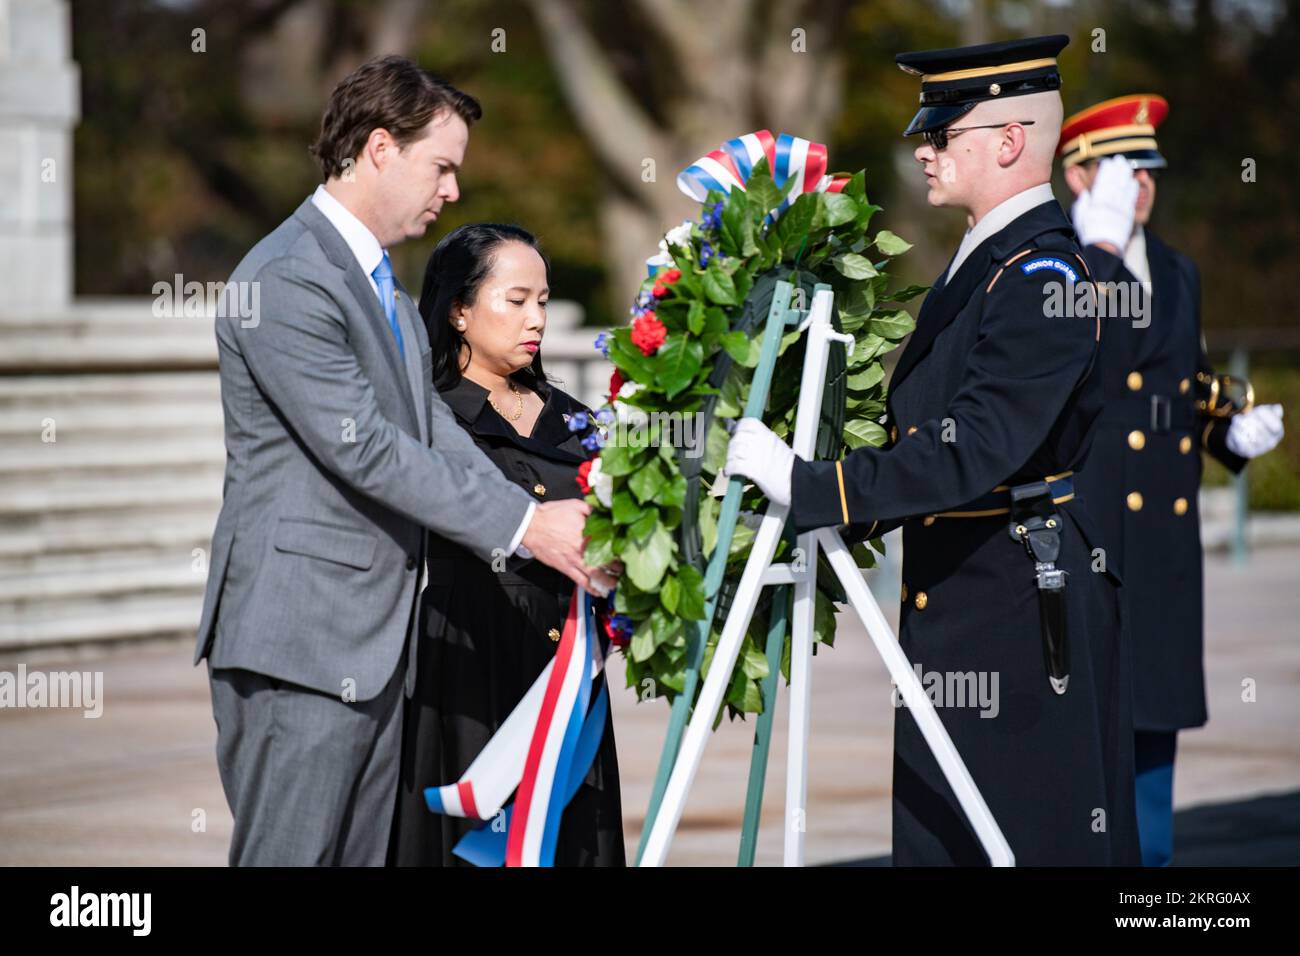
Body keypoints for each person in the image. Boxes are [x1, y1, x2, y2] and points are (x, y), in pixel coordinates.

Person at [724, 35, 1141, 865]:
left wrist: (815, 487)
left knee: (1020, 834)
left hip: (1017, 616)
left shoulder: (1040, 279)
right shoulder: (988, 263)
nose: (923, 147)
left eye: (943, 133)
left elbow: (973, 448)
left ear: (1009, 141)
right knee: (956, 833)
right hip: (971, 600)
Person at [194, 55, 613, 866]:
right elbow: (371, 450)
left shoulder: (374, 279)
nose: (452, 192)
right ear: (381, 148)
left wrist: (547, 514)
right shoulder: (289, 277)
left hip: (371, 647)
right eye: (442, 167)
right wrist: (529, 525)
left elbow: (428, 423)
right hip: (303, 643)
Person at [1060, 94, 1285, 866]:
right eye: (1124, 167)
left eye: (1148, 166)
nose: (1142, 183)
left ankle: (1150, 883)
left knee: (1153, 726)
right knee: (1085, 735)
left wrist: (1230, 434)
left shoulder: (1178, 271)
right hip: (1093, 525)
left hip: (1160, 534)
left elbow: (1181, 387)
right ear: (1077, 173)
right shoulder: (1065, 264)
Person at [389, 223, 625, 866]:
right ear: (460, 311)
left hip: (569, 675)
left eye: (543, 301)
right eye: (515, 300)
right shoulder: (428, 416)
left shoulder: (572, 416)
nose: (536, 319)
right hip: (469, 665)